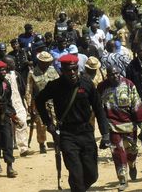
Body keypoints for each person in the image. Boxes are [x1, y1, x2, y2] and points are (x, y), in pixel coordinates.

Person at [36, 54, 110, 192]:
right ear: (62, 70)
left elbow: (98, 109)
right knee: (76, 174)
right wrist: (49, 125)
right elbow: (39, 101)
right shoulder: (55, 86)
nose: (72, 73)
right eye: (68, 70)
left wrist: (105, 134)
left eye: (75, 69)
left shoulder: (87, 84)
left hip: (86, 132)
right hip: (67, 135)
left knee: (92, 175)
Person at [97, 66, 142, 191]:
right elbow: (98, 107)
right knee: (118, 153)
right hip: (112, 125)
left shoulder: (129, 85)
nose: (114, 76)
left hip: (129, 124)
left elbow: (137, 104)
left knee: (132, 151)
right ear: (107, 75)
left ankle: (132, 165)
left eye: (116, 73)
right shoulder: (101, 87)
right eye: (111, 74)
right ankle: (122, 179)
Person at [25, 51, 59, 154]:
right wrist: (30, 106)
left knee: (56, 122)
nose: (47, 64)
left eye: (49, 62)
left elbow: (59, 85)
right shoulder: (32, 73)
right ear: (40, 61)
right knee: (41, 124)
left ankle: (57, 141)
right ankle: (42, 143)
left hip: (53, 102)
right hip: (40, 103)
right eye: (45, 62)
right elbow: (29, 90)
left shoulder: (53, 70)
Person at [3, 56, 35, 157]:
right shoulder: (1, 76)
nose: (14, 64)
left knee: (22, 123)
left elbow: (23, 89)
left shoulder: (16, 74)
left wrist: (27, 102)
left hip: (18, 103)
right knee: (7, 128)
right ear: (7, 65)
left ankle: (23, 149)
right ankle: (7, 149)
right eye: (12, 63)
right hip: (6, 105)